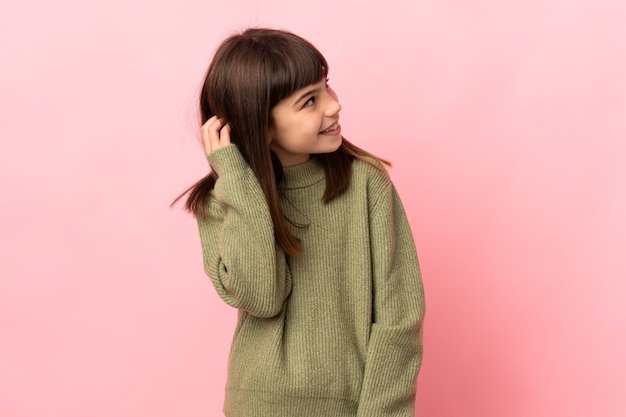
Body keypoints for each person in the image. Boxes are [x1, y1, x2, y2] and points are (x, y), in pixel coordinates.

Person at [176, 27, 425, 417]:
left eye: (327, 87)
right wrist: (239, 184)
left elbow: (400, 318)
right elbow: (262, 297)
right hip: (257, 405)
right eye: (310, 101)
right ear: (261, 124)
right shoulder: (222, 201)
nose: (333, 106)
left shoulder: (366, 185)